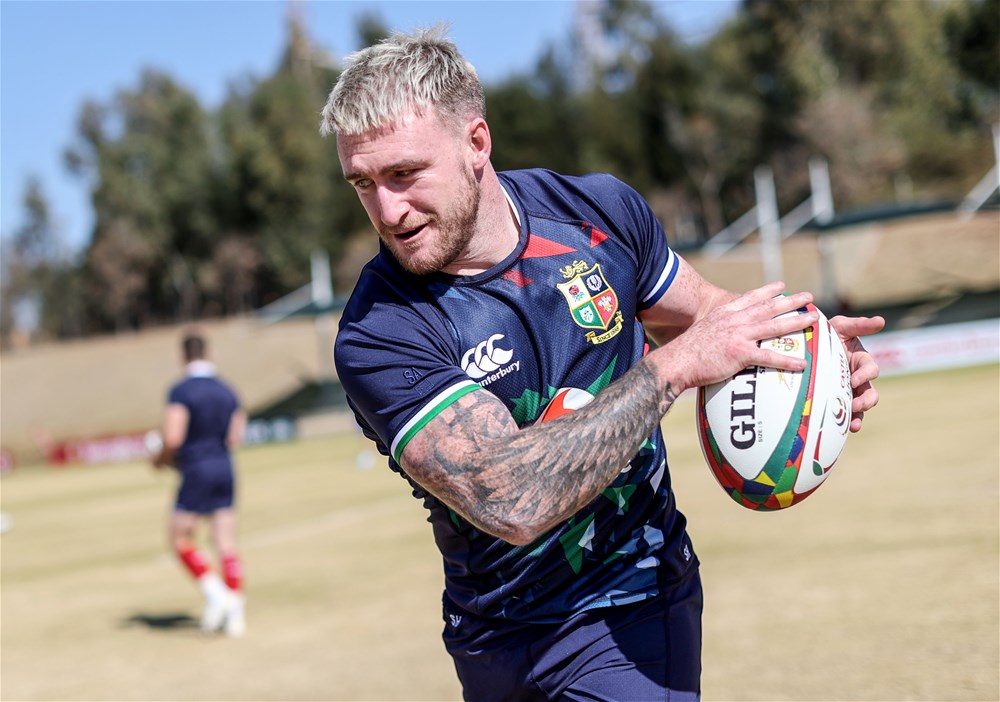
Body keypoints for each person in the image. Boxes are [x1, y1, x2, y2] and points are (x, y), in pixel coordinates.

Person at [320, 27, 884, 701]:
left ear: (476, 143)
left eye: (404, 174)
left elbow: (708, 318)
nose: (387, 210)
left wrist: (809, 354)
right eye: (363, 183)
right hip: (490, 636)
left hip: (631, 607)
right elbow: (509, 498)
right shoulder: (378, 330)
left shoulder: (597, 214)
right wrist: (673, 368)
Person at [152, 331, 248, 637]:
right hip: (224, 466)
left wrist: (160, 460)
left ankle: (217, 595)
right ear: (208, 353)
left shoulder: (182, 391)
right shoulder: (226, 390)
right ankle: (236, 612)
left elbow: (173, 437)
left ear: (182, 356)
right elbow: (235, 436)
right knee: (225, 541)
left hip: (197, 468)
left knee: (180, 538)